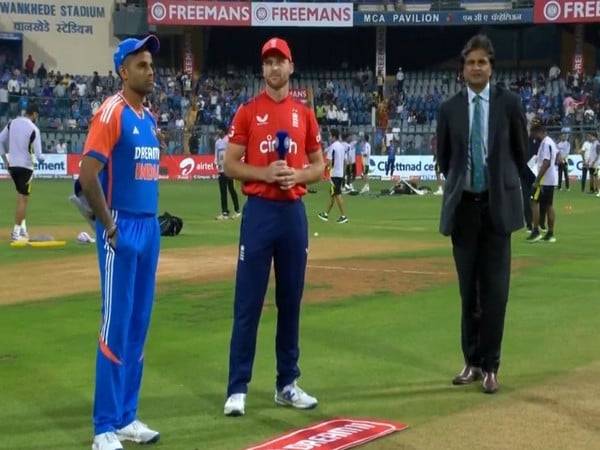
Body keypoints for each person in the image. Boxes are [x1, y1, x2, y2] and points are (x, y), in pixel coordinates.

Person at [222, 37, 325, 417]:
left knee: (290, 302)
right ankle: (237, 388)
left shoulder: (304, 114)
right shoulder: (248, 112)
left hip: (292, 212)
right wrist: (264, 173)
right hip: (260, 212)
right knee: (247, 302)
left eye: (279, 61)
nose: (274, 68)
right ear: (262, 69)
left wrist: (296, 174)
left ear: (291, 67)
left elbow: (319, 165)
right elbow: (230, 164)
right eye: (267, 63)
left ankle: (287, 383)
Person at [78, 35, 162, 450]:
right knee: (114, 326)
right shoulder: (111, 112)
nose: (150, 70)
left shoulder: (148, 118)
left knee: (137, 325)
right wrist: (108, 225)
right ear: (122, 71)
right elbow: (87, 175)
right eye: (141, 65)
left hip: (148, 229)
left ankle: (127, 417)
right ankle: (103, 427)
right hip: (121, 228)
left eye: (151, 64)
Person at [436, 35, 527, 394]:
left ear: (491, 67)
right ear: (463, 69)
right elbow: (445, 160)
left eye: (482, 62)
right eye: (471, 62)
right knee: (467, 293)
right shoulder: (449, 109)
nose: (476, 67)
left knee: (496, 292)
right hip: (464, 210)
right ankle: (471, 362)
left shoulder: (509, 103)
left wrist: (506, 187)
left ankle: (491, 365)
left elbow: (521, 152)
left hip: (497, 208)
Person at [0, 103, 44, 241]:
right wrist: (42, 159)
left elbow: (0, 140)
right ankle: (16, 233)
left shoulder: (11, 123)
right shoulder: (34, 129)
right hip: (26, 166)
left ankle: (23, 228)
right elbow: (39, 155)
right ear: (34, 114)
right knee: (23, 200)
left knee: (20, 197)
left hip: (12, 166)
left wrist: (4, 160)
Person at [528, 120, 558, 243]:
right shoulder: (550, 142)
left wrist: (537, 180)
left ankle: (536, 231)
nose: (533, 136)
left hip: (544, 181)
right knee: (549, 205)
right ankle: (550, 233)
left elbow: (546, 162)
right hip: (550, 180)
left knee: (533, 201)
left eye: (533, 133)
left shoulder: (545, 143)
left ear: (538, 131)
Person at [318, 129, 349, 224]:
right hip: (340, 174)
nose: (329, 137)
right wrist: (343, 173)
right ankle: (326, 214)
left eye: (330, 136)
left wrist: (327, 171)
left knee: (337, 194)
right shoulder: (342, 147)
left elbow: (329, 161)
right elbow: (345, 161)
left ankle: (343, 216)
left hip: (334, 174)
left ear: (334, 136)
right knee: (333, 194)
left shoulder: (333, 147)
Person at [214, 127, 240, 220]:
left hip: (228, 169)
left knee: (232, 190)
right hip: (221, 169)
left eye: (219, 129)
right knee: (223, 192)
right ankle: (225, 212)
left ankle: (237, 211)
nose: (218, 131)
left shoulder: (228, 140)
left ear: (223, 131)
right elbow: (216, 154)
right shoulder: (217, 142)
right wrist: (215, 162)